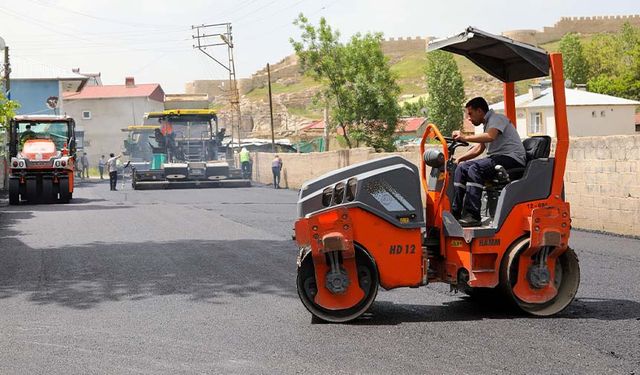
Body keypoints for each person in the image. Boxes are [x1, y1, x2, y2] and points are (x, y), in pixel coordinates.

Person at [451, 97, 526, 227]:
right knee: (462, 168)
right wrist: (460, 159)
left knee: (475, 168)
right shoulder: (487, 124)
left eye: (470, 113)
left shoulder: (497, 119)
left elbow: (490, 136)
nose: (469, 118)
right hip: (498, 158)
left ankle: (473, 215)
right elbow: (480, 148)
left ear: (479, 111)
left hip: (512, 158)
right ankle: (455, 212)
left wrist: (465, 137)